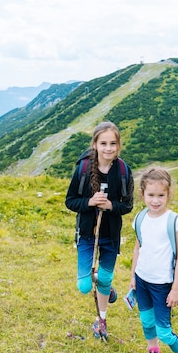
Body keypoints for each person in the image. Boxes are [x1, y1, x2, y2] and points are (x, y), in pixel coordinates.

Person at [65, 121, 134, 340]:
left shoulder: (123, 171)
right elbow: (70, 201)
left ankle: (101, 320)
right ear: (95, 144)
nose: (108, 148)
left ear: (119, 145)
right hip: (87, 234)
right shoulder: (84, 168)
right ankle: (107, 288)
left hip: (110, 235)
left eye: (113, 143)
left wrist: (111, 206)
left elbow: (128, 205)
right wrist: (90, 202)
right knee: (85, 286)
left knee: (104, 279)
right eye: (103, 143)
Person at [129, 167, 178, 353]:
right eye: (151, 195)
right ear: (142, 194)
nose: (155, 200)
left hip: (162, 284)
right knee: (147, 322)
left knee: (164, 330)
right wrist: (133, 276)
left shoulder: (175, 222)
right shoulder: (140, 218)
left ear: (168, 195)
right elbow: (138, 248)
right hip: (142, 280)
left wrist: (176, 289)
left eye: (161, 195)